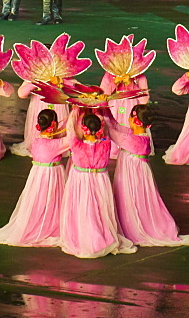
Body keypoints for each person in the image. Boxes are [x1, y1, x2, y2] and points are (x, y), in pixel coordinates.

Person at [108, 106, 189, 247]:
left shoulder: (135, 140)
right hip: (135, 171)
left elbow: (112, 132)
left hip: (133, 174)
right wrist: (105, 110)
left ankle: (133, 226)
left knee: (132, 196)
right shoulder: (138, 135)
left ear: (135, 120)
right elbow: (116, 126)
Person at [59, 109, 137, 258]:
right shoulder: (106, 143)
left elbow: (70, 129)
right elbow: (107, 127)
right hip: (100, 179)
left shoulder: (75, 143)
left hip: (81, 179)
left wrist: (76, 111)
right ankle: (101, 236)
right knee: (99, 207)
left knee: (83, 206)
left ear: (83, 128)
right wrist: (98, 110)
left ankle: (85, 237)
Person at [0, 109, 70, 247]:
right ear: (54, 125)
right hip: (51, 176)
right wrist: (76, 115)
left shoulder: (37, 140)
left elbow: (61, 133)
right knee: (50, 199)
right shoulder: (54, 145)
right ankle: (49, 225)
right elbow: (71, 139)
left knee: (39, 200)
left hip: (37, 175)